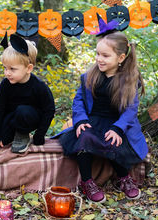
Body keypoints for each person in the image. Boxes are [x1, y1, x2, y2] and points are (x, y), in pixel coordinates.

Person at [57, 21, 147, 203]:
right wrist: (81, 120)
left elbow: (131, 109)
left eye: (105, 55)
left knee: (114, 140)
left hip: (116, 123)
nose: (99, 59)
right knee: (84, 137)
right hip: (92, 121)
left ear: (121, 58)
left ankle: (123, 177)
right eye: (97, 54)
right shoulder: (90, 76)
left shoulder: (129, 80)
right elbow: (78, 101)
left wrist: (119, 128)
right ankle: (87, 181)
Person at [0, 34, 55, 155]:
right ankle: (13, 133)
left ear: (28, 68)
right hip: (13, 117)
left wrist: (39, 134)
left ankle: (22, 134)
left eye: (12, 69)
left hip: (30, 117)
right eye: (5, 68)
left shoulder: (39, 86)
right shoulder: (5, 84)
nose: (7, 73)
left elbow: (49, 110)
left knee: (22, 111)